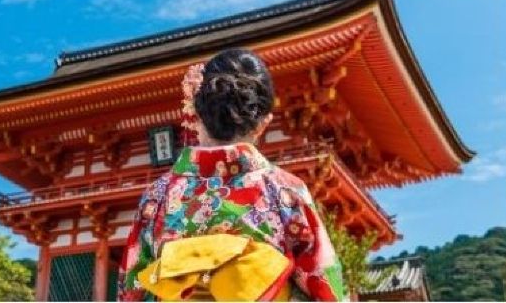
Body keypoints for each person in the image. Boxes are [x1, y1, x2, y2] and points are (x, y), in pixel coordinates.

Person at [117, 48, 347, 301]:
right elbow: (325, 285)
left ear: (195, 111)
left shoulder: (158, 196)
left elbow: (131, 290)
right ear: (262, 124)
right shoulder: (285, 191)